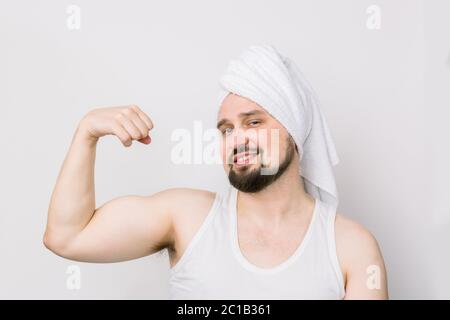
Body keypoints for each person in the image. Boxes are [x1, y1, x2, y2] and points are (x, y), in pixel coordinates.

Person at [43, 45, 388, 299]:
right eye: (226, 129)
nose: (236, 139)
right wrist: (86, 133)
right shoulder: (186, 217)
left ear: (295, 132)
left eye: (253, 122)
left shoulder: (350, 246)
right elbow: (66, 237)